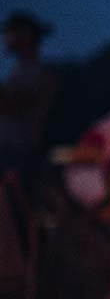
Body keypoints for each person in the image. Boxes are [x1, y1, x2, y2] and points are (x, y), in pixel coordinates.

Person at [1, 11, 57, 180]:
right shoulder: (19, 72)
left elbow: (14, 104)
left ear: (26, 36)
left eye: (10, 32)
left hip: (21, 149)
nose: (6, 38)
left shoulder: (40, 73)